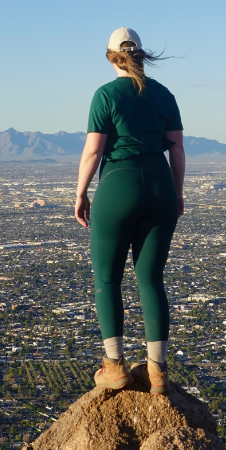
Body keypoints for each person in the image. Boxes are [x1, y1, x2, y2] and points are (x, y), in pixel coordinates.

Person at [74, 27, 185, 396]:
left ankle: (114, 366)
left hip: (118, 187)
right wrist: (177, 191)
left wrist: (81, 194)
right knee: (151, 279)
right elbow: (178, 150)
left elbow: (93, 151)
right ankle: (158, 373)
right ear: (140, 54)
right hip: (160, 188)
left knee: (107, 280)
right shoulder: (165, 95)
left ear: (110, 57)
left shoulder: (105, 95)